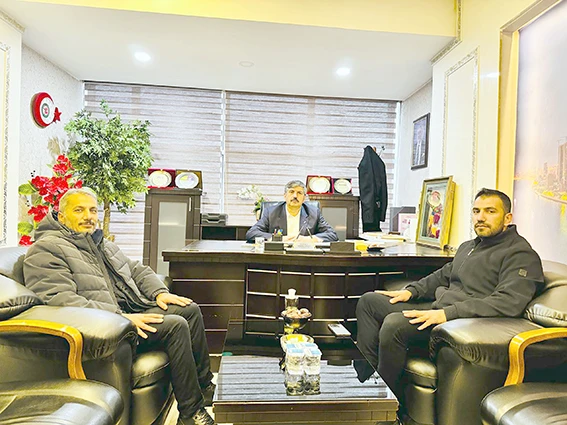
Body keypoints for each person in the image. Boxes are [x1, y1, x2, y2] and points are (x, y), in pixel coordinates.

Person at [23, 188, 217, 425]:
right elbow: (60, 300)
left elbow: (137, 270)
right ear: (61, 216)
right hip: (103, 328)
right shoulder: (46, 249)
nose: (88, 216)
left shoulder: (100, 243)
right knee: (175, 325)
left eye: (92, 210)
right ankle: (190, 413)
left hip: (126, 312)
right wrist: (120, 317)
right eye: (79, 210)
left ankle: (204, 386)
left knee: (189, 310)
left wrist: (159, 293)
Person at [355, 188, 543, 408]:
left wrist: (447, 314)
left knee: (394, 324)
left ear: (507, 218)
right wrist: (411, 291)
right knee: (369, 302)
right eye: (476, 211)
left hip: (463, 322)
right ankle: (366, 382)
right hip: (440, 309)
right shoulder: (470, 246)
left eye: (490, 211)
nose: (481, 217)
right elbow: (443, 275)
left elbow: (508, 302)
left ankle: (384, 407)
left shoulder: (521, 254)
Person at [245, 180, 338, 242]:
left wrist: (311, 239)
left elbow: (332, 235)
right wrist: (278, 239)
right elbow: (251, 233)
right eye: (291, 192)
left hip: (304, 255)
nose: (295, 196)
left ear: (304, 198)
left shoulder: (313, 213)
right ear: (285, 196)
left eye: (299, 193)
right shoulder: (271, 212)